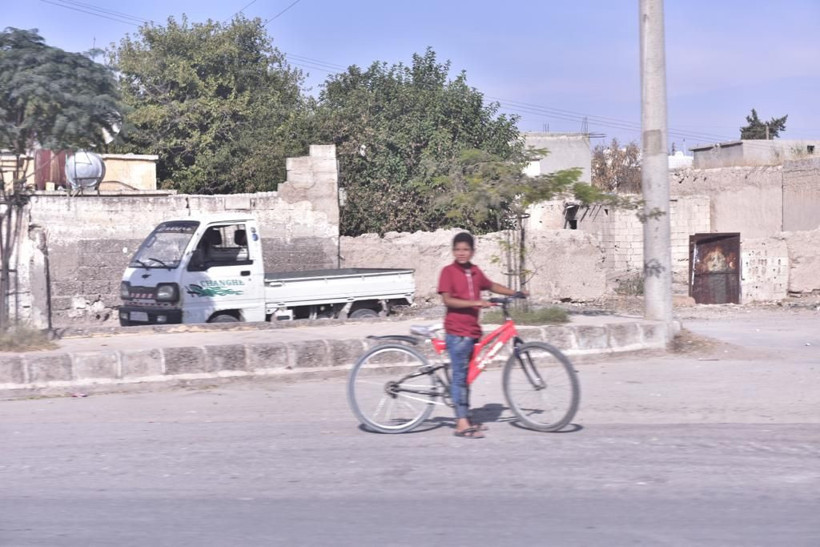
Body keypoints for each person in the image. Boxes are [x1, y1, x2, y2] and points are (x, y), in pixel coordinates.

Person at [437, 232, 525, 439]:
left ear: (473, 252)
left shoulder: (475, 272)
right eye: (458, 249)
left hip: (471, 332)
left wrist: (514, 293)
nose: (461, 253)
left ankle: (465, 416)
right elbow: (447, 300)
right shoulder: (448, 272)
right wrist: (475, 302)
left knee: (466, 378)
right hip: (457, 332)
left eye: (466, 249)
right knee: (460, 378)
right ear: (453, 251)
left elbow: (491, 285)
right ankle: (461, 424)